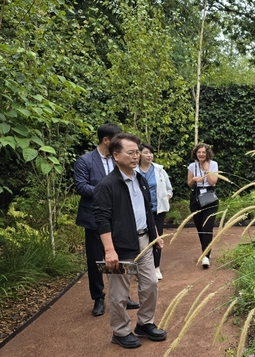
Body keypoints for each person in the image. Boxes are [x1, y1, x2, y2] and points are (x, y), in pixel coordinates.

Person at [93, 133, 167, 349]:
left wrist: (155, 236)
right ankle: (121, 331)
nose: (136, 156)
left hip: (144, 242)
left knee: (151, 284)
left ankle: (144, 323)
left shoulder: (140, 179)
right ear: (116, 155)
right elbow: (102, 219)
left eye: (137, 152)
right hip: (120, 247)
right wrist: (109, 250)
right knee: (119, 294)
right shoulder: (106, 186)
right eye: (131, 153)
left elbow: (146, 210)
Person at [74, 123, 139, 316]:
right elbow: (80, 186)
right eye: (117, 139)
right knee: (96, 260)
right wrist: (106, 193)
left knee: (121, 257)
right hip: (93, 218)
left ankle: (123, 296)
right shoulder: (85, 160)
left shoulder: (119, 160)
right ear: (106, 140)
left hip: (119, 220)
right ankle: (98, 298)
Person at [136, 143, 173, 280]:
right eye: (146, 152)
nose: (149, 155)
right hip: (140, 212)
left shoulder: (159, 170)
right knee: (141, 239)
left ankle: (156, 267)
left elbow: (169, 189)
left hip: (157, 210)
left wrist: (166, 198)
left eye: (151, 153)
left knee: (157, 239)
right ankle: (142, 269)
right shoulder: (134, 171)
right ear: (139, 154)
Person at [187, 143, 219, 269]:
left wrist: (206, 170)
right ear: (195, 153)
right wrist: (194, 180)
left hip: (209, 197)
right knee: (200, 227)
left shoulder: (213, 164)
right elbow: (189, 184)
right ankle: (205, 251)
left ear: (207, 153)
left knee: (207, 227)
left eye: (203, 152)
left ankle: (205, 256)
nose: (201, 154)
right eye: (199, 152)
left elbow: (213, 181)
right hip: (196, 197)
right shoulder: (192, 166)